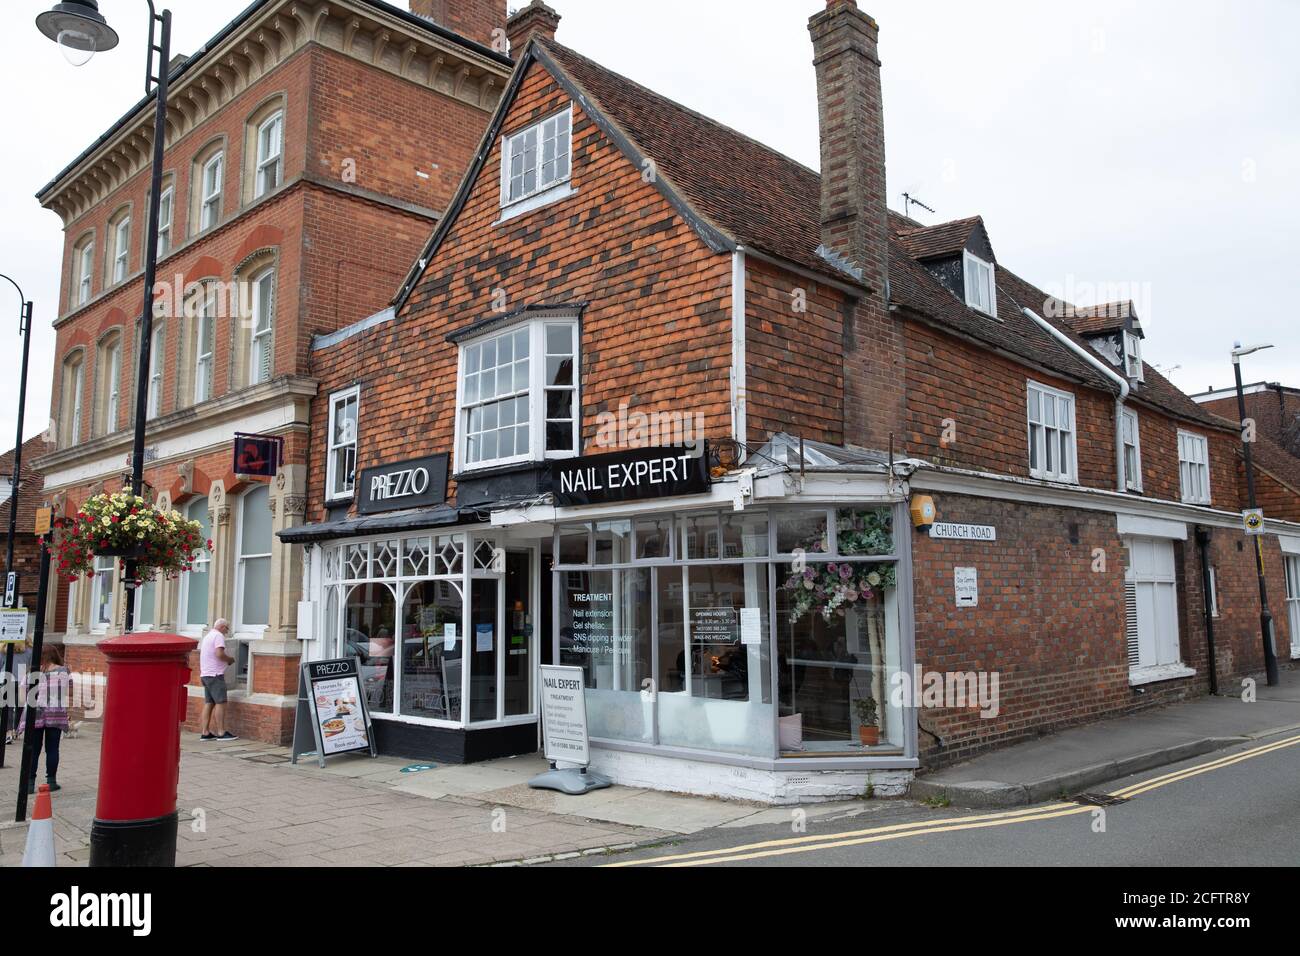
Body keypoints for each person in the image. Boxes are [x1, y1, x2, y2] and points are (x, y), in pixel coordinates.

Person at [26, 645, 72, 793]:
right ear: (55, 655)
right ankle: (51, 781)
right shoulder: (64, 671)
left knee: (33, 749)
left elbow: (24, 691)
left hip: (36, 712)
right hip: (56, 711)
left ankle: (29, 784)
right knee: (52, 748)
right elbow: (67, 690)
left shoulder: (33, 671)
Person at [199, 620, 238, 741]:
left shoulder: (208, 636)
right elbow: (219, 654)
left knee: (209, 703)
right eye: (227, 628)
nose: (227, 632)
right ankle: (221, 732)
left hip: (205, 674)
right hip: (215, 675)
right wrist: (230, 659)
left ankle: (205, 732)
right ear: (221, 627)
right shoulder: (218, 635)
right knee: (221, 703)